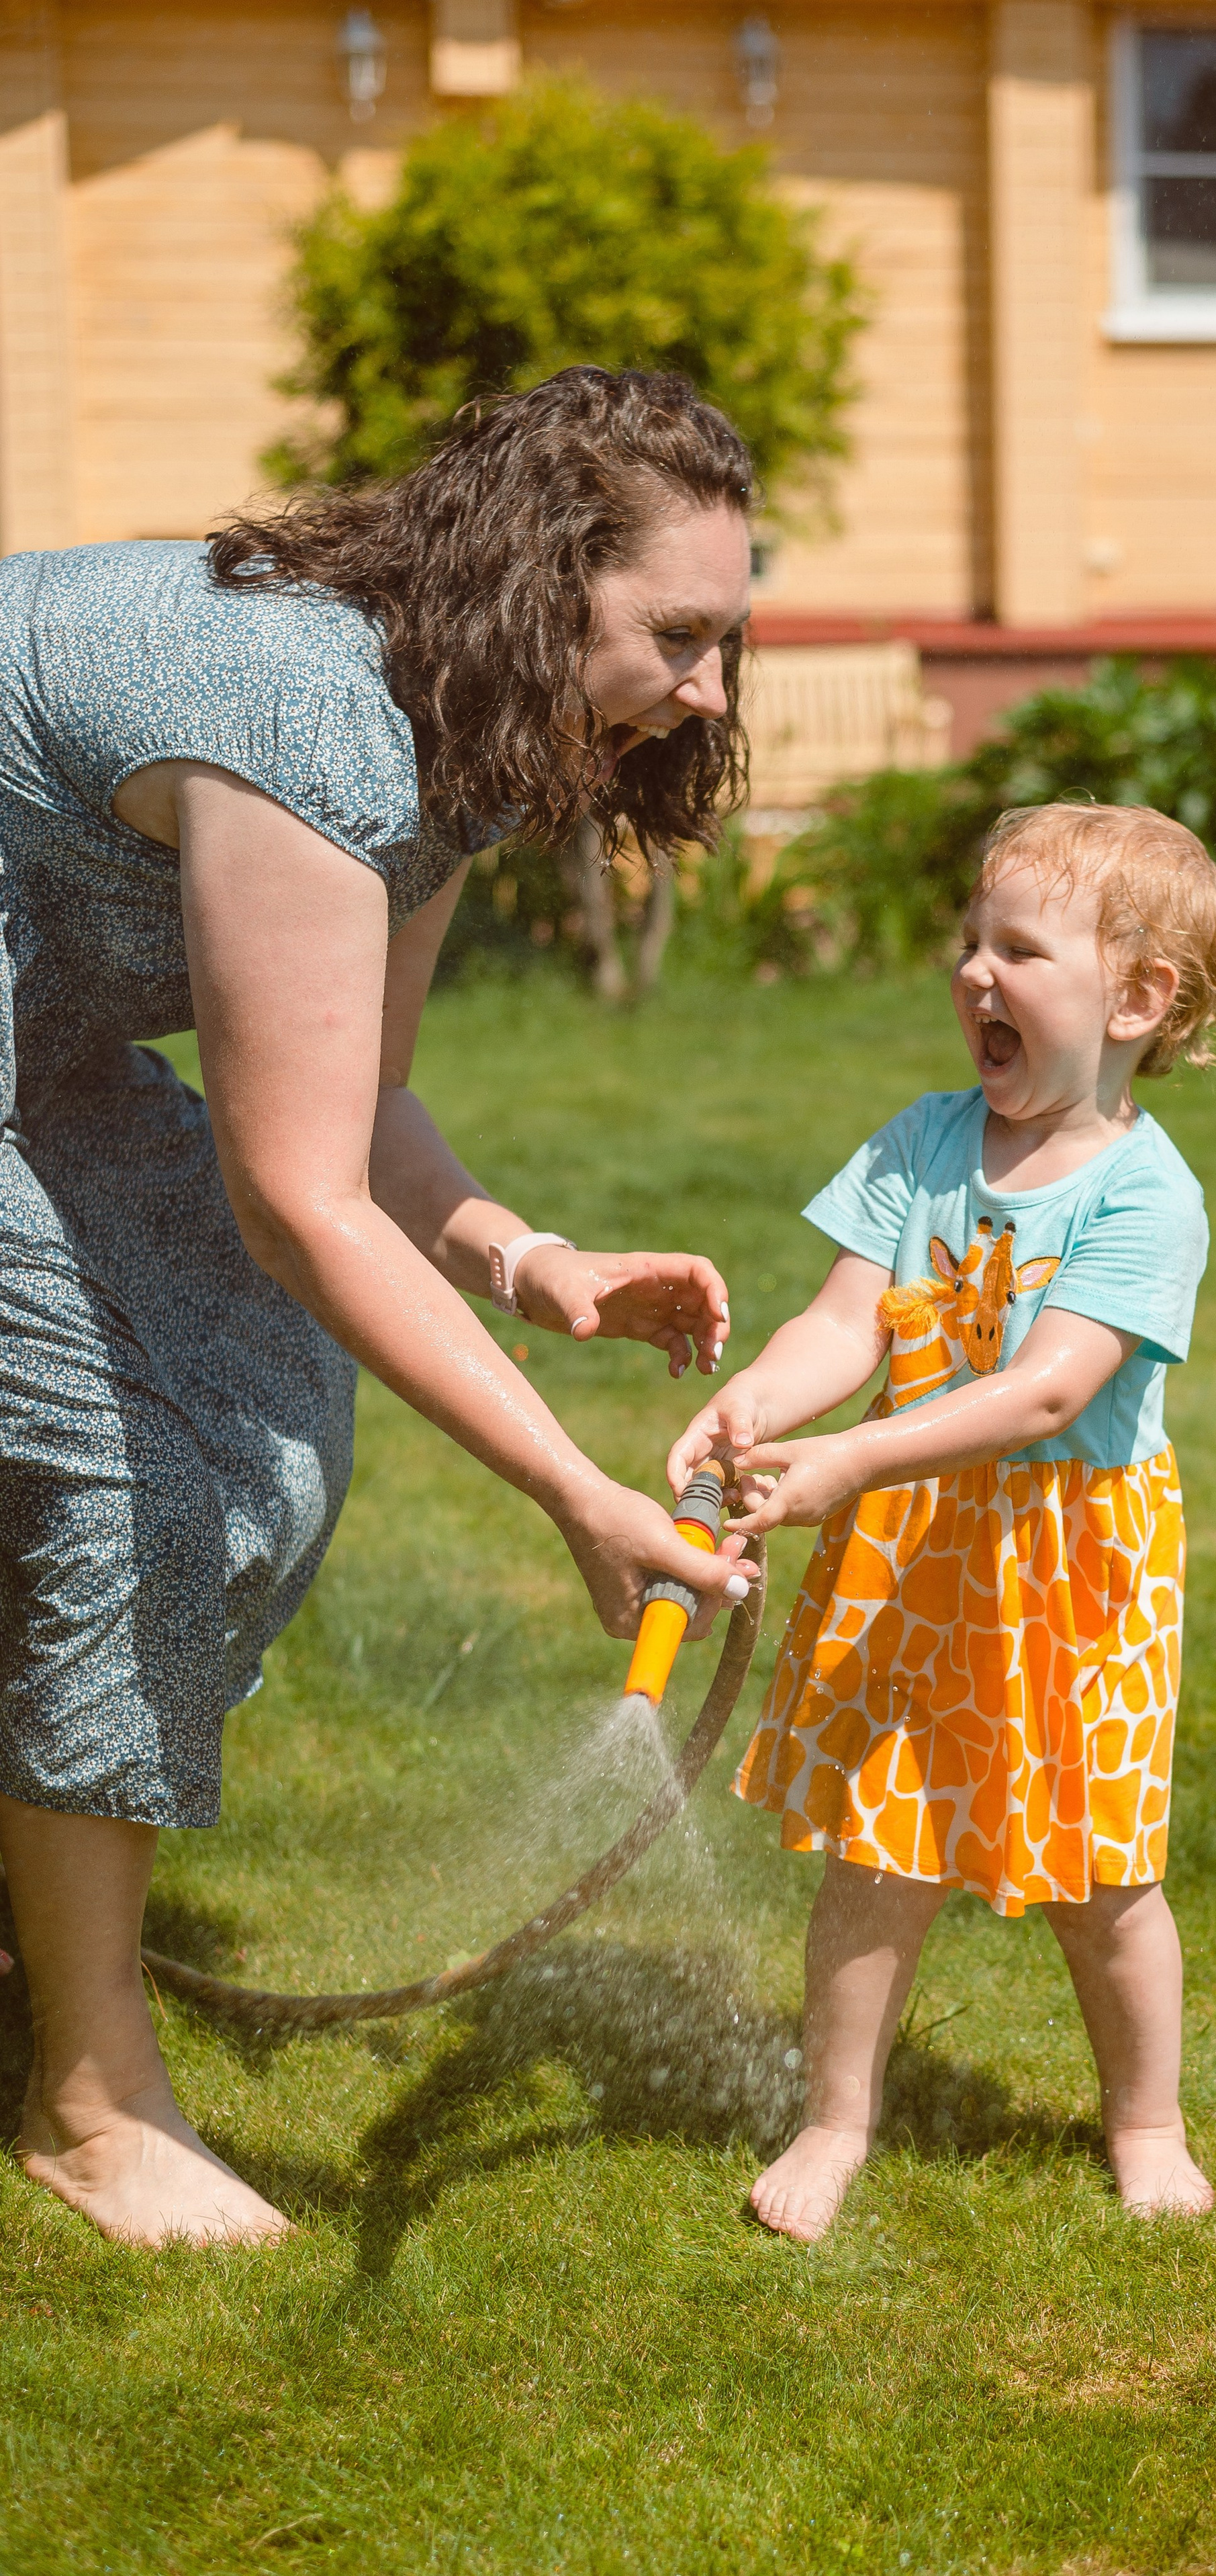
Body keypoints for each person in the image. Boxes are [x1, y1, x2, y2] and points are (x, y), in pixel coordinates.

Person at [0, 367, 759, 2247]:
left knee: (260, 1428)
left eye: (727, 640)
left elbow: (366, 1107)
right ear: (542, 580)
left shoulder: (450, 729)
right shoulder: (301, 717)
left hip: (45, 1028)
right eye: (680, 635)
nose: (713, 689)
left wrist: (531, 1259)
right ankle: (89, 2103)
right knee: (150, 1471)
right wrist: (576, 1493)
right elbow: (296, 1205)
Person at [668, 803, 1216, 2241]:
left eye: (1019, 950)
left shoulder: (1145, 1194)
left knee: (1099, 1875)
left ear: (1134, 1000)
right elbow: (838, 1321)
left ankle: (1144, 2120)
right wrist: (761, 1405)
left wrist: (850, 1458)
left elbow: (1048, 1392)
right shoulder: (924, 1145)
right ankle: (833, 2118)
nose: (974, 974)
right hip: (911, 1561)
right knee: (883, 1852)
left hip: (1071, 1571)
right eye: (969, 943)